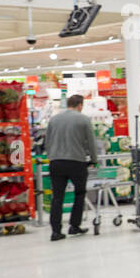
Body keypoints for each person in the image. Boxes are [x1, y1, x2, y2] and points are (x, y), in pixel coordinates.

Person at [44, 94, 98, 241]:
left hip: (56, 162)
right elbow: (91, 142)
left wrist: (52, 157)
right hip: (76, 162)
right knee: (79, 194)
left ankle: (56, 231)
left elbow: (47, 142)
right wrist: (94, 159)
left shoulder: (54, 119)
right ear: (80, 105)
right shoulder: (83, 119)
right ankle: (74, 226)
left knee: (57, 198)